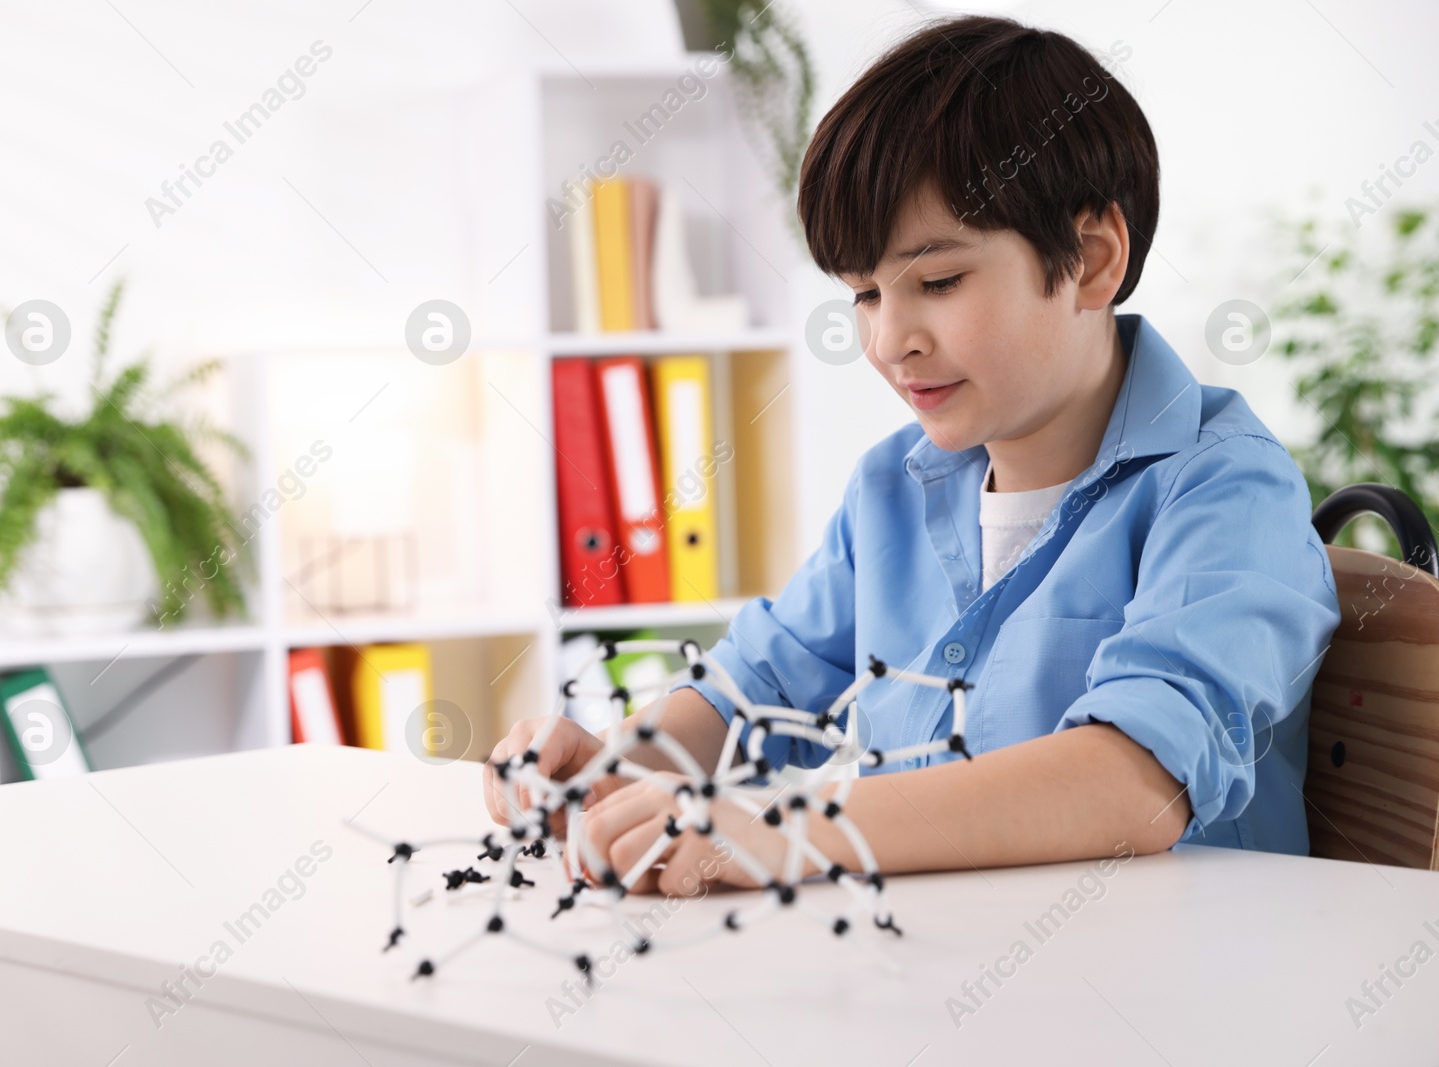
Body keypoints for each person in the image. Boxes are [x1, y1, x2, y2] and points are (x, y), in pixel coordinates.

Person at [483, 14, 1340, 896]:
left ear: (1090, 260)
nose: (890, 339)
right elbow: (751, 684)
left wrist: (787, 833)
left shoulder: (1227, 489)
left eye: (937, 282)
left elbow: (1133, 783)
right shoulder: (891, 488)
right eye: (863, 294)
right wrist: (617, 766)